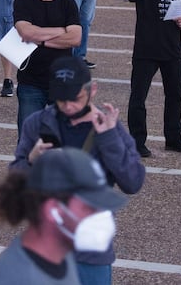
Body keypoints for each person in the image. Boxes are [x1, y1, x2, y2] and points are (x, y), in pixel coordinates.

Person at [11, 57, 144, 284]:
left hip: (91, 249)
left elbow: (133, 182)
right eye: (61, 100)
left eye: (75, 99)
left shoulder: (108, 126)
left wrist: (110, 138)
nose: (68, 106)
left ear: (92, 90)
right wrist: (32, 160)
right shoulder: (38, 123)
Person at [0, 147, 127, 285]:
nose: (100, 216)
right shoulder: (23, 278)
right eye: (88, 208)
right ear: (53, 210)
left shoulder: (60, 253)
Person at [126, 0, 181, 157]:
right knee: (138, 97)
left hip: (172, 48)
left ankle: (173, 137)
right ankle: (137, 141)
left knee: (175, 95)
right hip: (146, 47)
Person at [13, 0, 82, 133]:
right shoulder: (23, 1)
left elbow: (75, 38)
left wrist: (40, 40)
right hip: (30, 82)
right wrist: (61, 30)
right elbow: (26, 32)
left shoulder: (68, 4)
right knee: (29, 140)